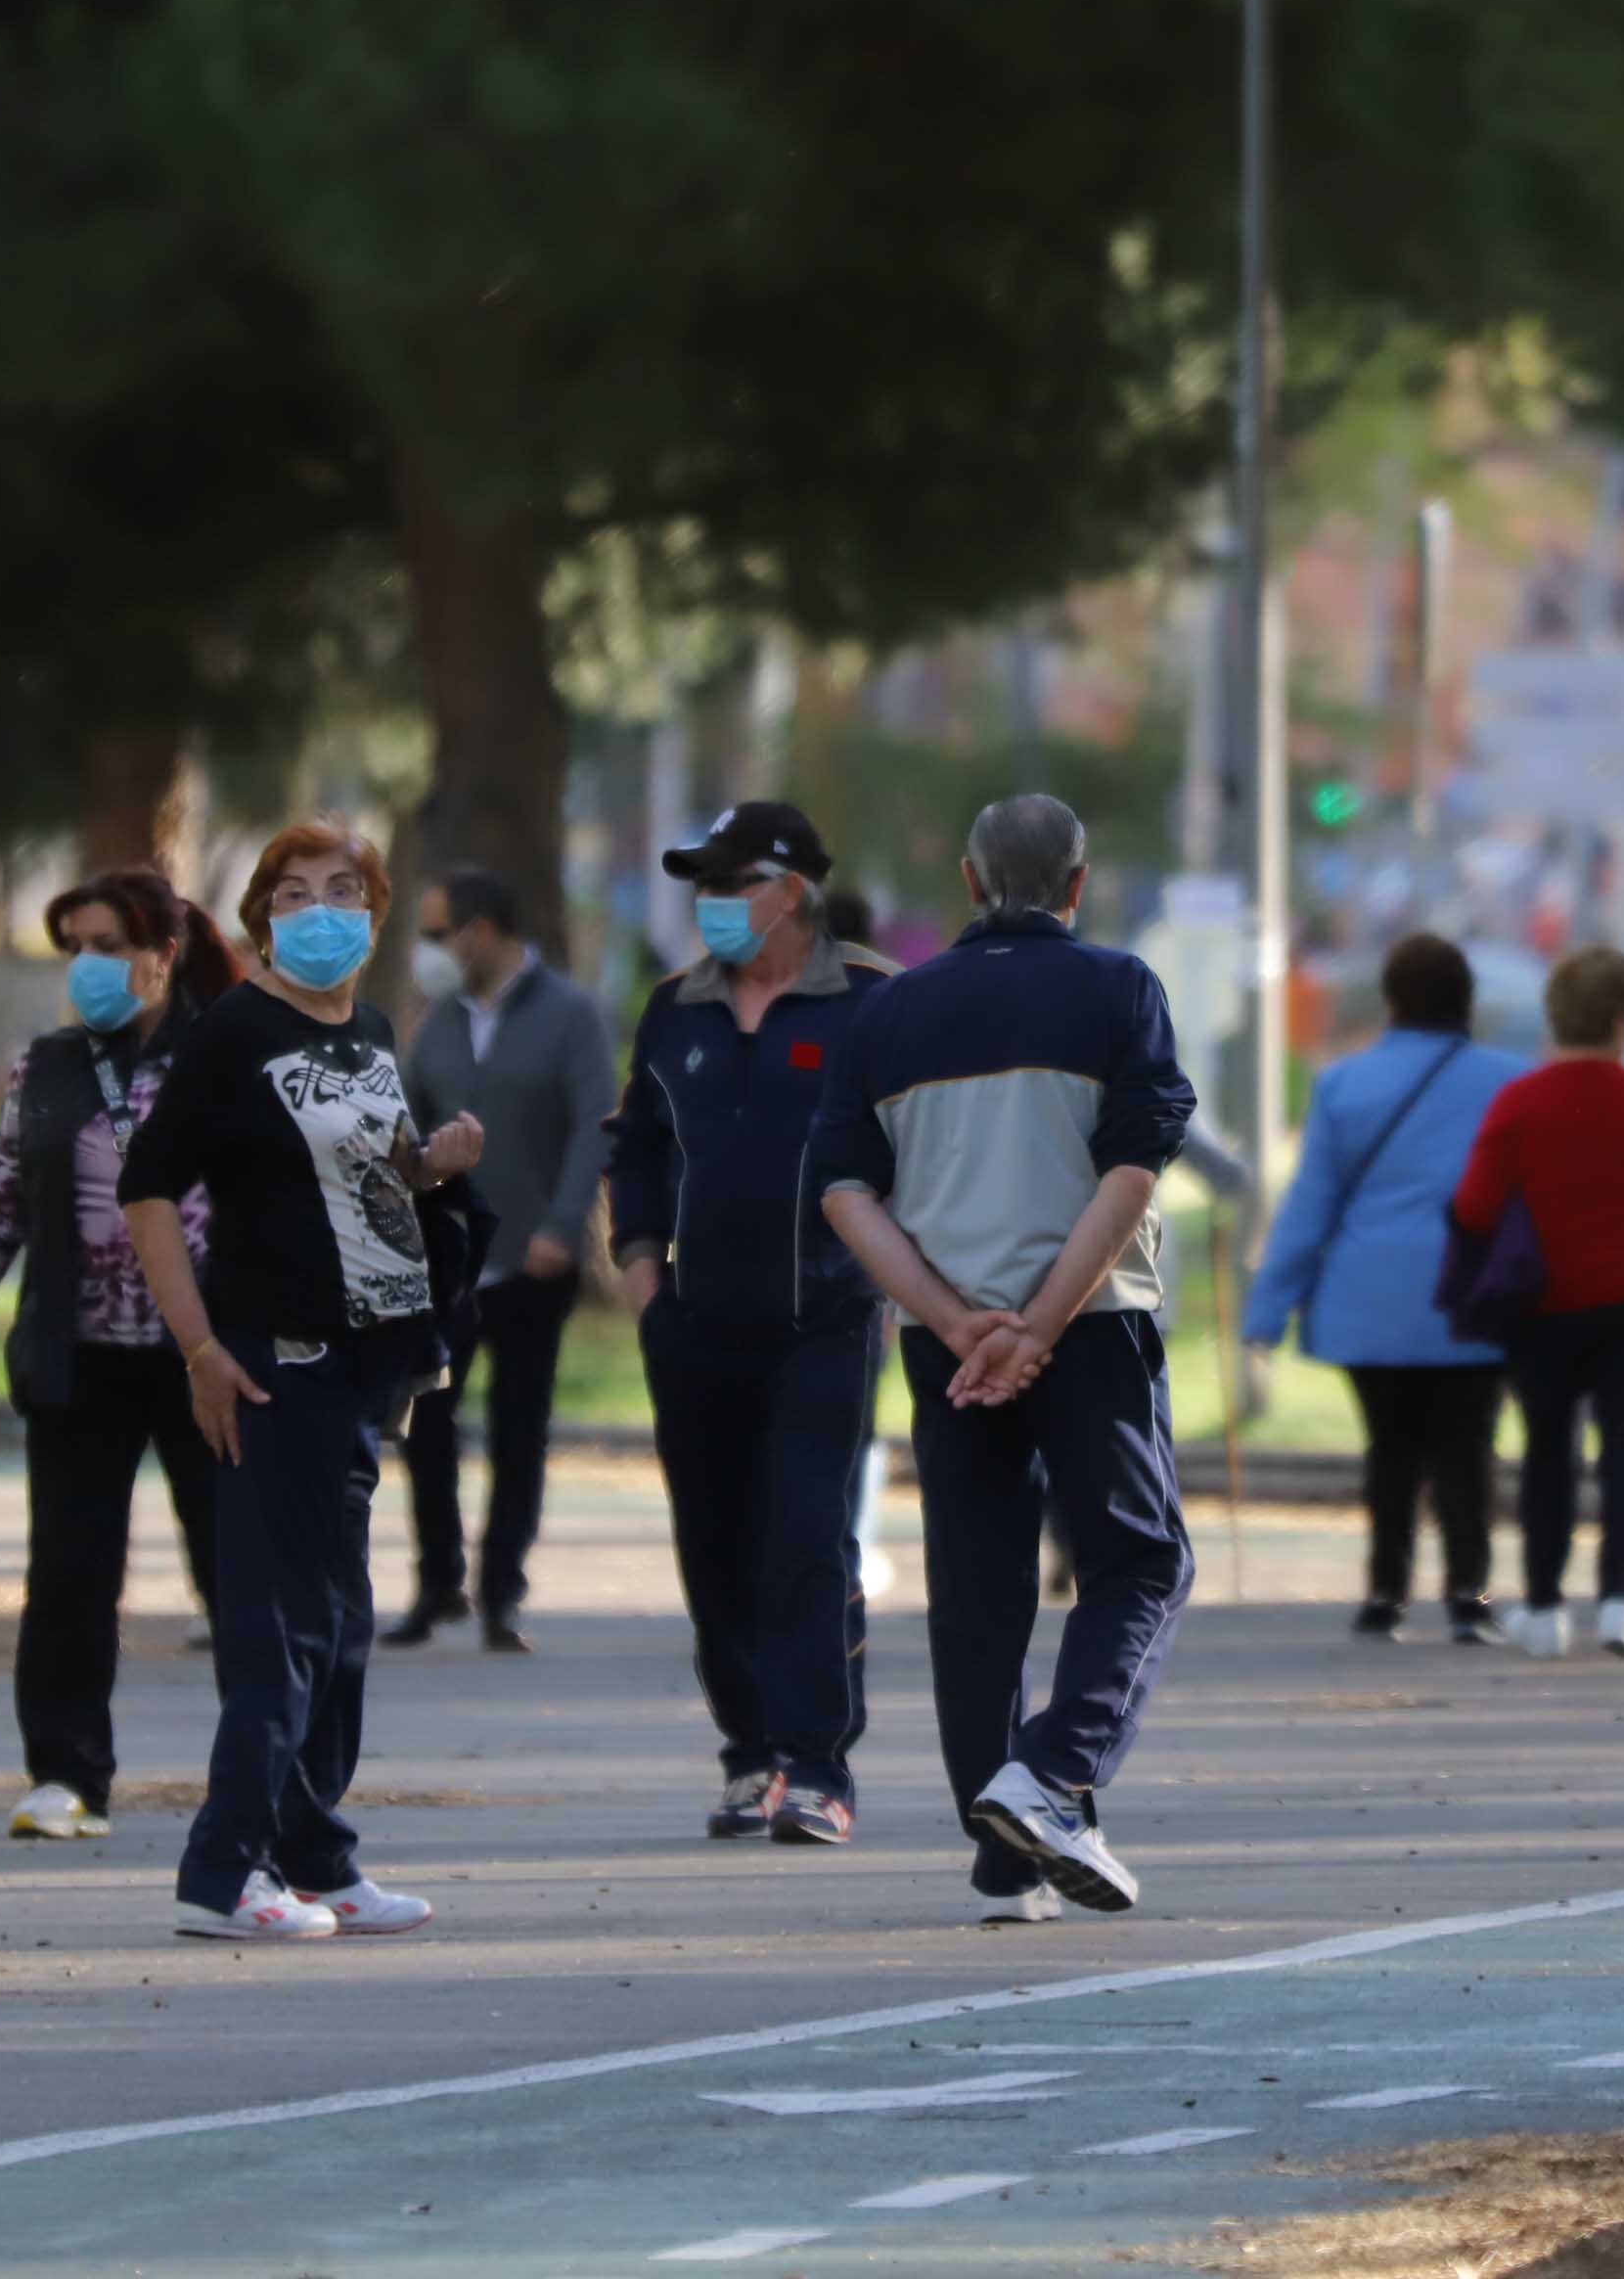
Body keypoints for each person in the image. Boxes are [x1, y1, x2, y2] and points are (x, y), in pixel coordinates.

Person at [814, 795, 1196, 1922]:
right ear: (1076, 883)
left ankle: (1004, 1857)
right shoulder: (1118, 988)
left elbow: (845, 1193)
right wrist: (1038, 1322)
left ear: (969, 881)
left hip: (949, 1347)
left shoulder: (890, 1011)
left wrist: (956, 1319)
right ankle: (1054, 1772)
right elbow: (1131, 1170)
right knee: (1140, 1561)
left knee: (976, 1591)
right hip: (1091, 1323)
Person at [117, 821, 484, 1941]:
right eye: (292, 893)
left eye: (341, 890)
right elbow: (147, 1188)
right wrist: (198, 1346)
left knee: (339, 1623)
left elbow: (365, 1174)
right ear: (261, 918)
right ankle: (223, 1869)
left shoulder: (368, 1029)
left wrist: (431, 1165)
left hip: (363, 1363)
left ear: (374, 915)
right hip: (272, 1360)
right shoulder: (234, 1032)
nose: (319, 911)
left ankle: (315, 1854)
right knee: (277, 1628)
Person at [0, 869, 237, 1842]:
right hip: (78, 1354)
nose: (88, 966)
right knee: (68, 1573)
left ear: (162, 954)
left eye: (108, 945)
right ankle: (65, 1773)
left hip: (208, 1357)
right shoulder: (50, 1065)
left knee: (236, 1566)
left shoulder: (228, 1056)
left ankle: (266, 1768)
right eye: (77, 949)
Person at [607, 801, 897, 1846]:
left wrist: (900, 1283)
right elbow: (637, 1147)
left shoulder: (869, 1002)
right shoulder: (674, 1008)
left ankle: (818, 1765)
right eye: (702, 885)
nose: (712, 903)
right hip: (694, 1324)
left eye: (732, 883)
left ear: (791, 892)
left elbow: (913, 1148)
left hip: (828, 1319)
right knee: (715, 1542)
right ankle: (750, 1752)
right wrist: (644, 1279)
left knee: (806, 1536)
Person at [1242, 934, 1530, 1644]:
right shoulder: (1511, 1083)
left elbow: (1310, 1206)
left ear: (1393, 1002)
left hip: (1368, 1301)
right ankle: (1469, 1596)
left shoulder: (1343, 1084)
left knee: (1390, 1448)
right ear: (1466, 1002)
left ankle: (1384, 1593)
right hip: (1474, 1300)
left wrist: (1267, 1310)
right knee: (1469, 1450)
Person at [392, 867, 617, 1653]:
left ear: (480, 931)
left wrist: (563, 1225)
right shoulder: (437, 1020)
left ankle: (501, 1592)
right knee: (426, 1424)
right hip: (445, 1262)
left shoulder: (569, 1013)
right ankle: (437, 1584)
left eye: (436, 932)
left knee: (520, 1429)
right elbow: (406, 1121)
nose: (427, 949)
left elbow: (594, 1123)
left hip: (532, 1260)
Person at [1450, 947, 1624, 1664]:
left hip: (1544, 1303)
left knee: (1549, 1449)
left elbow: (1474, 1206)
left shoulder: (1519, 1104)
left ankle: (1546, 1607)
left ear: (1553, 1022)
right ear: (1621, 1024)